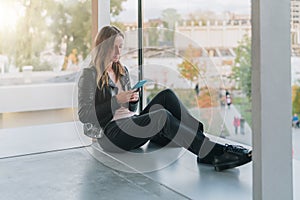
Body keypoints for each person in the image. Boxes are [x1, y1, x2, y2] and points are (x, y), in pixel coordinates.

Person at [78, 25, 252, 171]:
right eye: (113, 47)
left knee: (166, 96)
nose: (118, 51)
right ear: (103, 46)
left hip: (131, 125)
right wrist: (116, 101)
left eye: (121, 46)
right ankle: (213, 152)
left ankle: (202, 143)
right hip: (112, 134)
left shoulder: (122, 71)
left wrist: (132, 100)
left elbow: (130, 111)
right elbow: (84, 114)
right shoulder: (89, 75)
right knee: (161, 115)